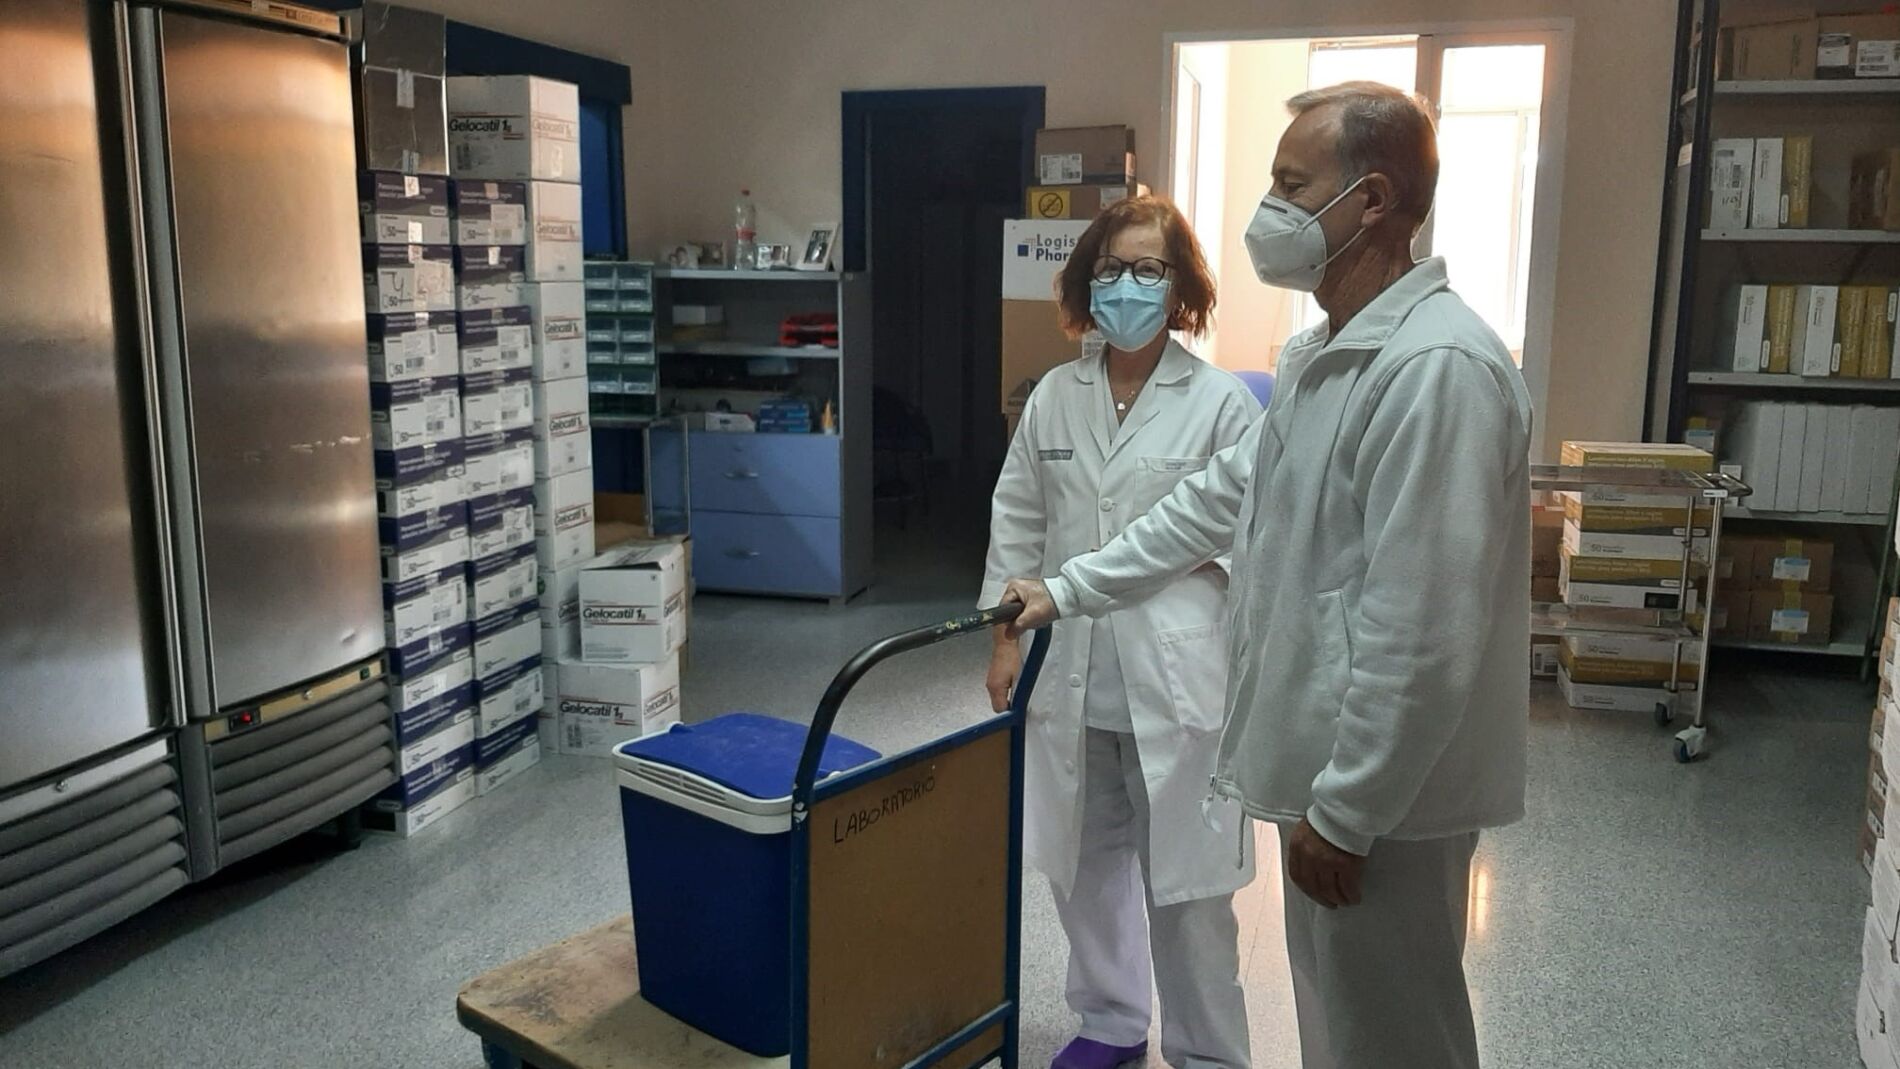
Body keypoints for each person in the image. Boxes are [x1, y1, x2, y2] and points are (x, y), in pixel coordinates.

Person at [1001, 82, 1532, 1069]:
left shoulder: (1436, 369)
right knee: (1343, 1022)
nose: (1268, 210)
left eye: (1292, 185)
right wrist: (1065, 590)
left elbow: (1422, 629)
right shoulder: (1324, 360)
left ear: (1371, 201)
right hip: (1323, 779)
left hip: (1383, 804)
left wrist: (1350, 809)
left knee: (1394, 1035)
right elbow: (1209, 503)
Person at [982, 195, 1261, 1069]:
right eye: (1110, 269)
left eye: (1147, 269)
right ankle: (1109, 1019)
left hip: (1177, 677)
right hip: (1070, 669)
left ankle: (1209, 1052)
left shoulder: (1220, 403)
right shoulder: (1054, 397)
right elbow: (1018, 518)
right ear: (1085, 282)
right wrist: (1003, 639)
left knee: (1191, 885)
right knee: (1084, 863)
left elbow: (1244, 545)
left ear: (1179, 288)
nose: (1127, 286)